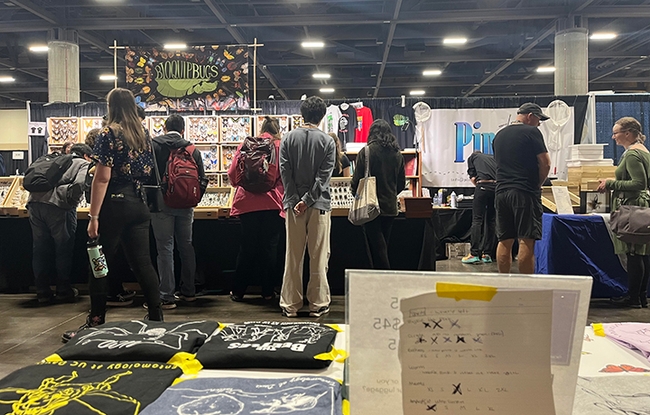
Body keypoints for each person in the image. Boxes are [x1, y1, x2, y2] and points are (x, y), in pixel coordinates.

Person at [63, 88, 163, 342]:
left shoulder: (108, 133)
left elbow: (102, 177)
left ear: (111, 106)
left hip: (114, 204)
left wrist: (93, 216)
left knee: (98, 264)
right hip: (139, 204)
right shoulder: (143, 133)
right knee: (143, 263)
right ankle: (156, 319)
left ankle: (95, 322)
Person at [279, 96, 336, 318]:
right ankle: (318, 303)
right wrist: (308, 200)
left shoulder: (287, 139)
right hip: (318, 205)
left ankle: (290, 304)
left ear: (302, 115)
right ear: (322, 117)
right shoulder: (327, 142)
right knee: (319, 255)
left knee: (293, 255)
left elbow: (285, 173)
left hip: (293, 207)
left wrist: (295, 200)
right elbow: (324, 177)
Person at [150, 114, 207, 309]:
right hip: (186, 204)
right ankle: (189, 292)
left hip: (160, 204)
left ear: (164, 128)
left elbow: (147, 176)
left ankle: (166, 296)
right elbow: (202, 179)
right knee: (186, 246)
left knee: (165, 248)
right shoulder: (191, 149)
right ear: (183, 130)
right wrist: (194, 199)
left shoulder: (154, 146)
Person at [227, 116, 285, 302]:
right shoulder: (279, 146)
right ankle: (268, 291)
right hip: (272, 202)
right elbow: (285, 176)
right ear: (277, 130)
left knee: (247, 247)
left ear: (261, 128)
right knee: (270, 247)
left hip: (247, 203)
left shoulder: (246, 144)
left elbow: (233, 174)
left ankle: (238, 291)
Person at [27, 145, 90, 304]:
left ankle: (42, 291)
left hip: (34, 204)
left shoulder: (50, 159)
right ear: (86, 155)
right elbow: (80, 184)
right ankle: (63, 290)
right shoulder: (82, 163)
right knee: (63, 248)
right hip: (59, 207)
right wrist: (71, 202)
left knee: (40, 248)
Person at [492, 102, 551, 274]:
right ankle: (527, 286)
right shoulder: (532, 132)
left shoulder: (499, 135)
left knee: (505, 239)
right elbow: (546, 163)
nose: (539, 124)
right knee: (527, 239)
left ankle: (504, 283)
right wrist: (537, 185)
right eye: (539, 119)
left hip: (501, 191)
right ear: (530, 116)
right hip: (524, 191)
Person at [597, 117, 650, 308]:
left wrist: (610, 183)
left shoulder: (632, 155)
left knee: (634, 253)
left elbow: (639, 183)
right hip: (640, 206)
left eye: (616, 133)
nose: (613, 137)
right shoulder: (643, 152)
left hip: (632, 206)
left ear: (628, 133)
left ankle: (634, 297)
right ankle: (641, 296)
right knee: (641, 252)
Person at [351, 119, 406, 269]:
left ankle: (384, 279)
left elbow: (356, 181)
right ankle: (379, 279)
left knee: (377, 248)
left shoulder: (367, 151)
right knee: (382, 245)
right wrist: (390, 192)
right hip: (390, 207)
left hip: (370, 206)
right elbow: (401, 183)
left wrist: (356, 195)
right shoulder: (397, 154)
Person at [462, 150, 497, 264]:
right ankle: (487, 254)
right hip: (496, 188)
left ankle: (474, 254)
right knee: (491, 221)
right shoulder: (492, 157)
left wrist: (480, 187)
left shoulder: (473, 157)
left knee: (477, 220)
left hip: (483, 185)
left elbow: (473, 178)